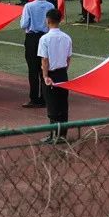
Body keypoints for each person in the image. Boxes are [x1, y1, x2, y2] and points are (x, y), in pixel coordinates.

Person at [38, 8, 73, 143]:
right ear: (60, 20)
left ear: (48, 21)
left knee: (52, 106)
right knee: (63, 105)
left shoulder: (44, 39)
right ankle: (62, 135)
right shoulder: (67, 37)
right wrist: (64, 71)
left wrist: (45, 76)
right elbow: (68, 58)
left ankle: (54, 135)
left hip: (51, 75)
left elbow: (44, 60)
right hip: (63, 73)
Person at [20, 0, 53, 108]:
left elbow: (24, 24)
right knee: (45, 68)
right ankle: (45, 97)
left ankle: (34, 98)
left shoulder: (28, 6)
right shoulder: (50, 6)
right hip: (46, 37)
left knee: (32, 69)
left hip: (32, 38)